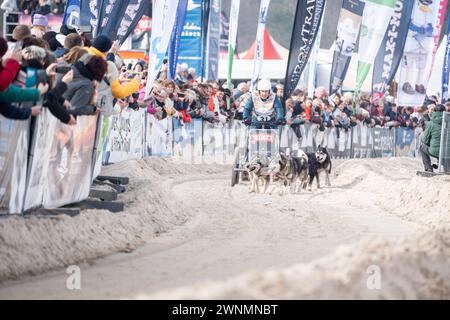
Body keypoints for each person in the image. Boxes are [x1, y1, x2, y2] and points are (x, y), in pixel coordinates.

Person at [419, 104, 444, 172]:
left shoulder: (431, 123)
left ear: (435, 111)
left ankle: (429, 168)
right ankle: (442, 165)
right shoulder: (447, 121)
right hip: (447, 152)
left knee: (422, 146)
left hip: (435, 151)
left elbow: (424, 139)